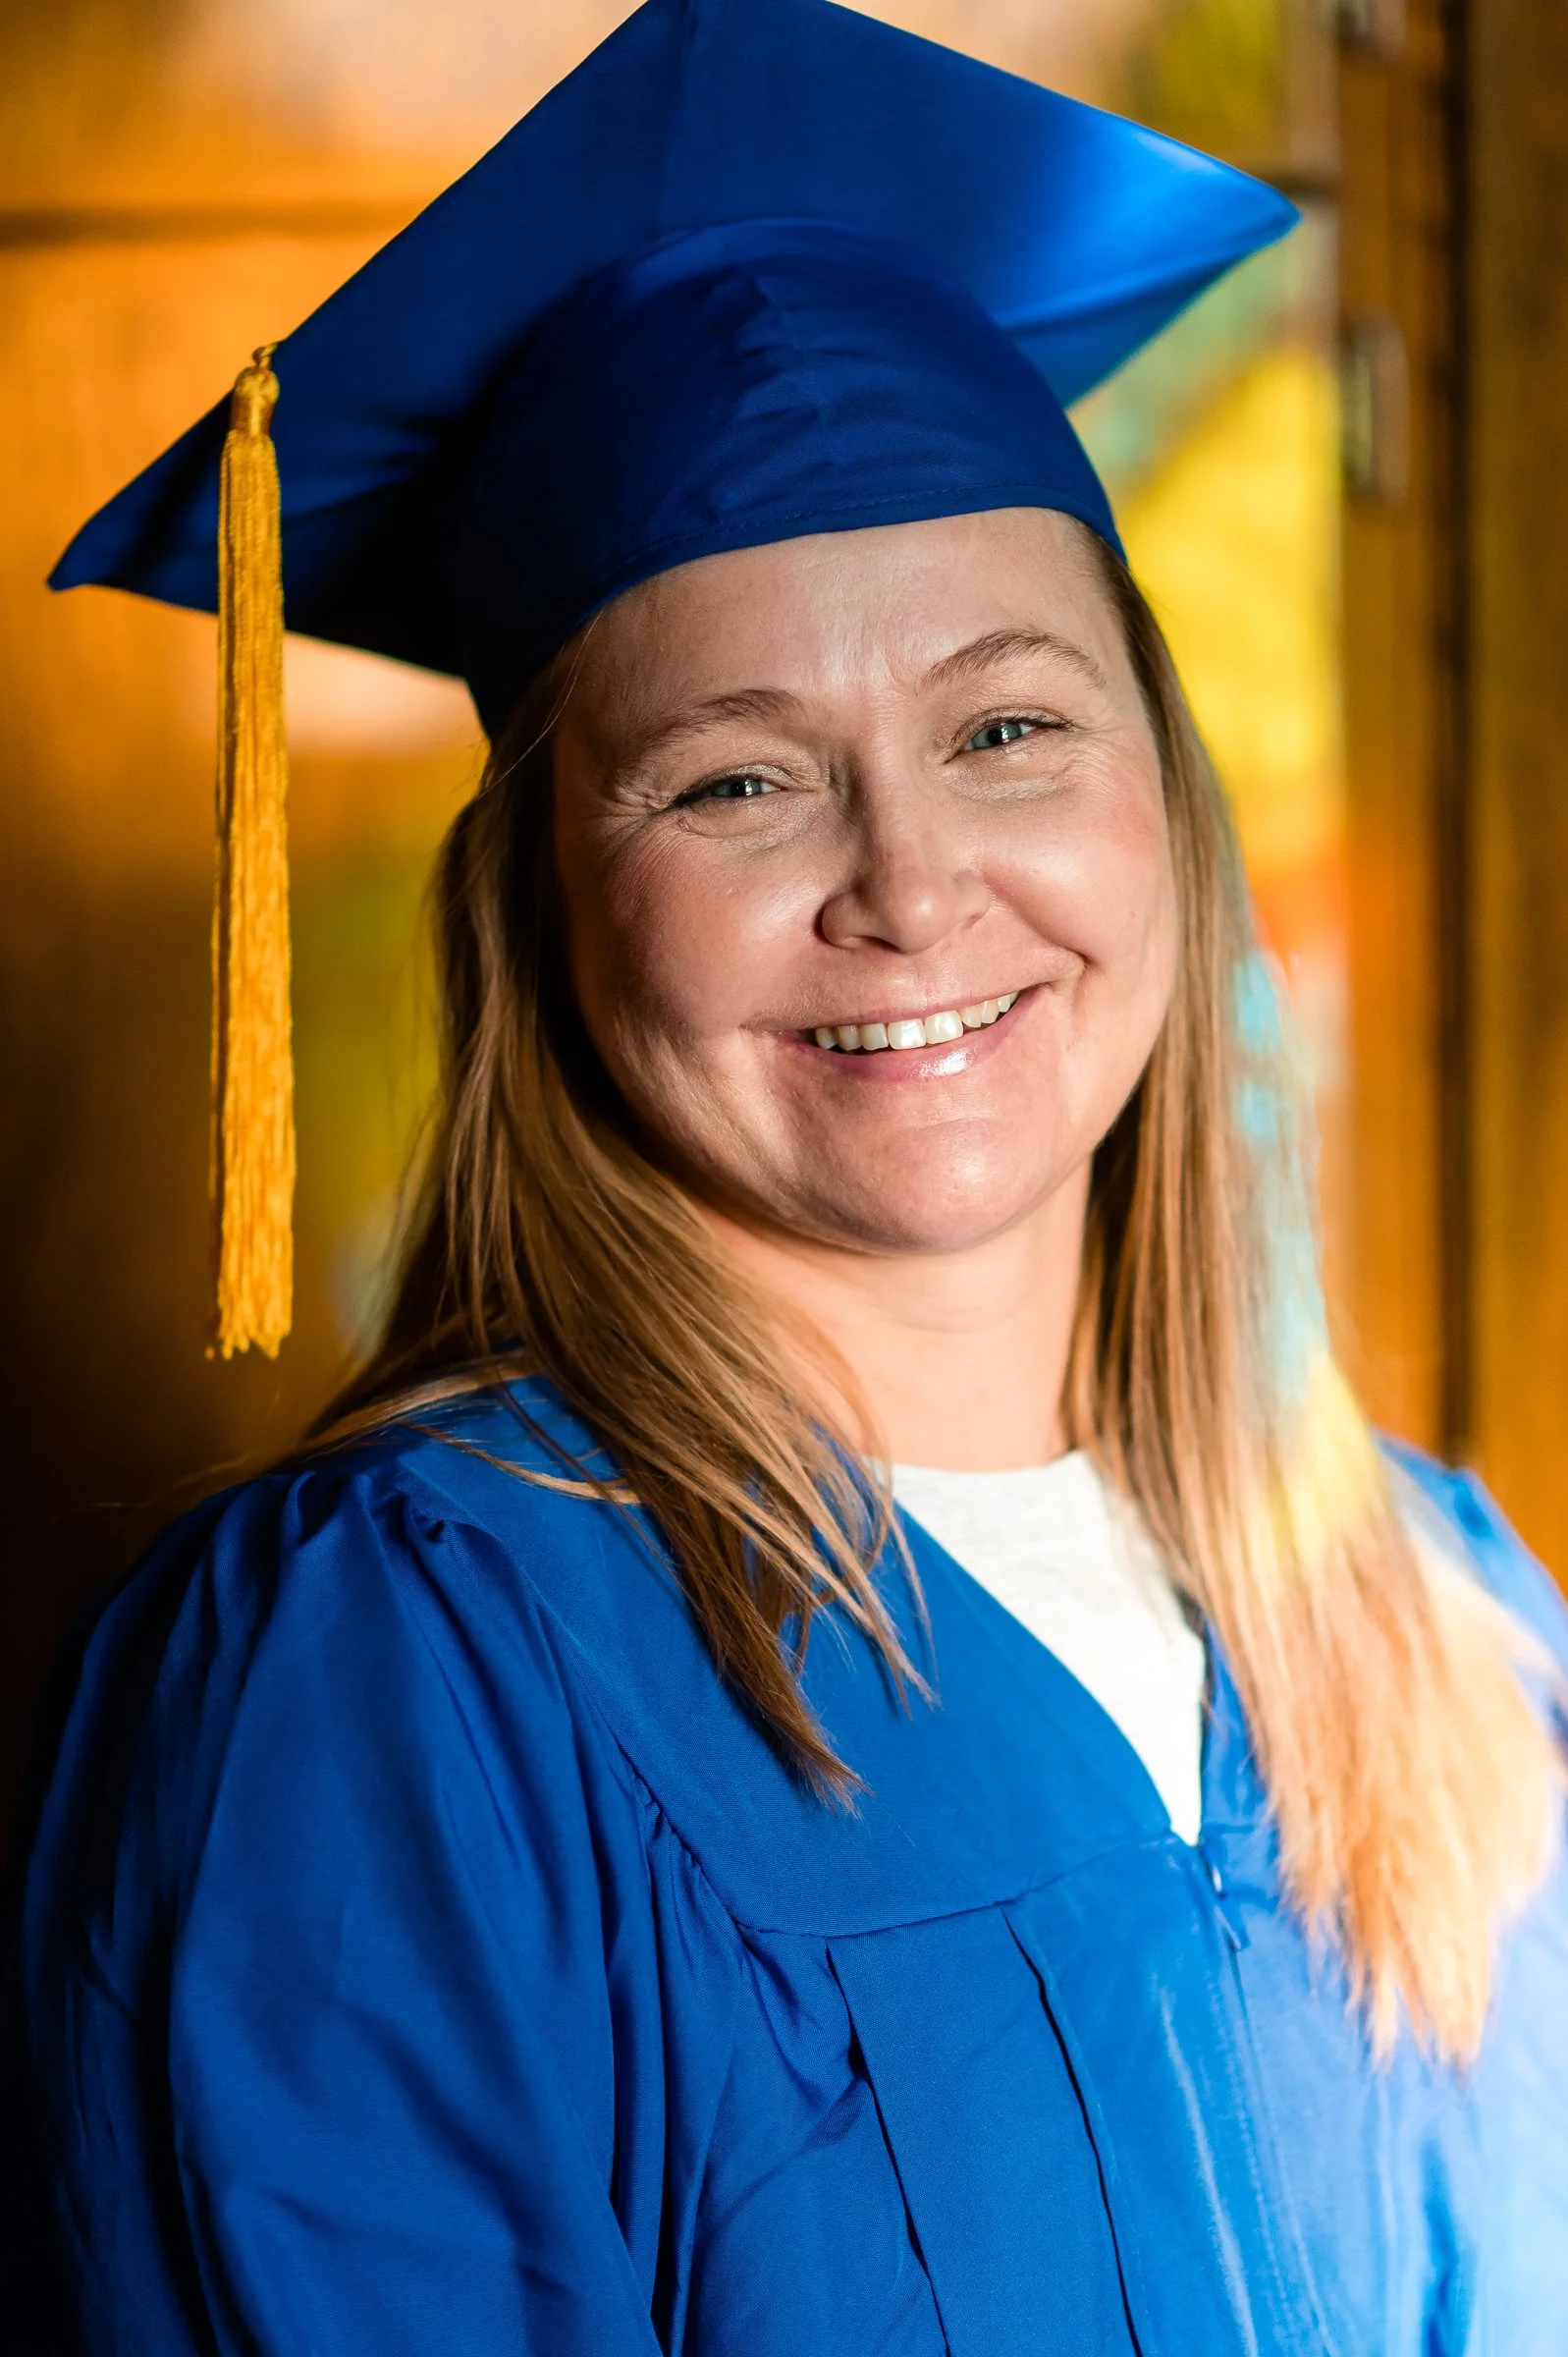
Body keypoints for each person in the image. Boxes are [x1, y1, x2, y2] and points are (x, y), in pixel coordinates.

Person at [9, 1, 1568, 2350]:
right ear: (544, 912)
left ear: (1164, 787)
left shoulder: (1446, 1611)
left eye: (1010, 725)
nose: (911, 883)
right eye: (736, 780)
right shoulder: (414, 1680)